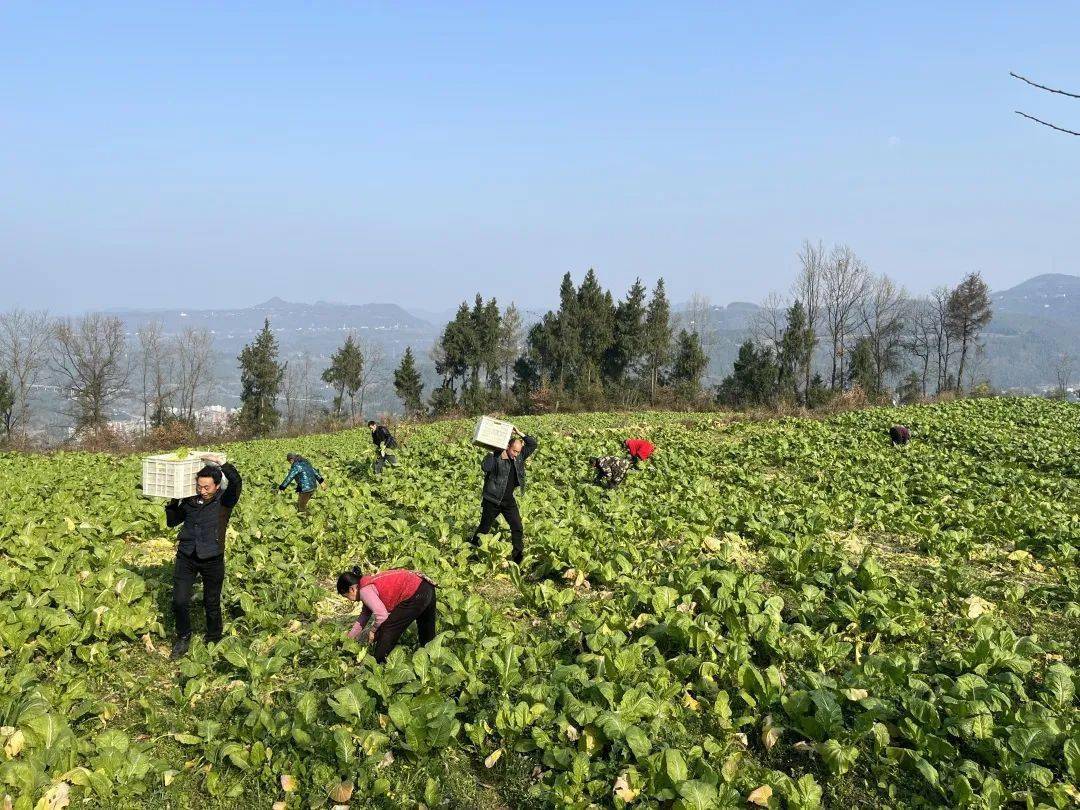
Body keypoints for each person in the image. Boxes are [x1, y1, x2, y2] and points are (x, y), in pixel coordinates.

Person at [165, 458, 242, 659]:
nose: (202, 491)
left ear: (217, 486)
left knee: (211, 602)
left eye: (207, 487)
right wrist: (174, 501)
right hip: (186, 555)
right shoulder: (190, 500)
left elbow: (236, 482)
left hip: (212, 557)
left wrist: (223, 464)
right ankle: (183, 637)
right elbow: (172, 522)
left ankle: (214, 639)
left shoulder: (225, 501)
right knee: (180, 600)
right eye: (199, 486)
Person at [336, 567, 437, 663]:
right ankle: (432, 659)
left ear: (352, 589)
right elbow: (364, 617)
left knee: (387, 629)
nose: (350, 600)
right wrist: (349, 638)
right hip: (426, 586)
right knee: (427, 632)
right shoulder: (367, 582)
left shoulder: (365, 591)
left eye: (346, 597)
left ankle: (377, 664)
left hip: (415, 592)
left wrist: (373, 631)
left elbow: (382, 616)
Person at [471, 428, 538, 564]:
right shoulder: (497, 456)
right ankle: (472, 552)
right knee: (484, 528)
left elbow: (533, 444)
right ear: (507, 447)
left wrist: (519, 433)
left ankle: (517, 559)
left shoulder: (519, 456)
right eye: (514, 450)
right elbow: (485, 467)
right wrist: (490, 451)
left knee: (517, 527)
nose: (516, 454)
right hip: (492, 499)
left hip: (508, 500)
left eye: (518, 451)